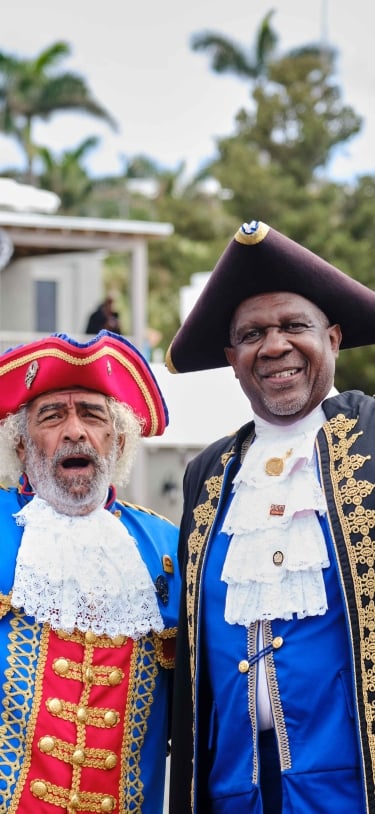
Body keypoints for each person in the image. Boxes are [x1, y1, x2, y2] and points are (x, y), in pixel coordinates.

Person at [165, 219, 375, 814]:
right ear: (233, 359)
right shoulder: (208, 472)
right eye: (253, 334)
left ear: (333, 338)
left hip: (352, 789)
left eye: (294, 326)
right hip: (237, 788)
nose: (274, 346)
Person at [0, 329, 180, 814]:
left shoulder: (167, 547)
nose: (75, 431)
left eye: (93, 416)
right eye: (53, 416)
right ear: (21, 446)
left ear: (116, 443)